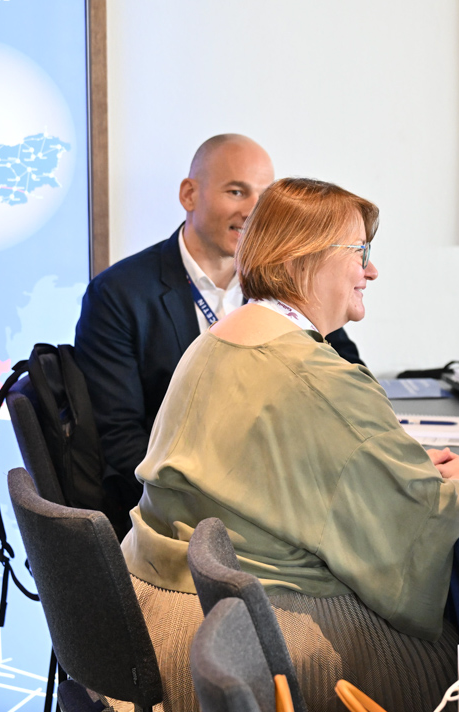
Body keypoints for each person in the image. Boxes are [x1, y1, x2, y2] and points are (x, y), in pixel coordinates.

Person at [116, 178, 459, 712]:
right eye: (359, 252)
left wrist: (387, 468)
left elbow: (276, 464)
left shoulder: (218, 340)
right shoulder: (316, 375)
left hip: (169, 615)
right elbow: (419, 520)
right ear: (301, 260)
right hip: (255, 640)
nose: (371, 270)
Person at [74, 135, 365, 535]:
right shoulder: (119, 294)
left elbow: (346, 377)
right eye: (236, 192)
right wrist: (228, 507)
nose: (253, 211)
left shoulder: (289, 280)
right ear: (189, 194)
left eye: (264, 197)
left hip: (285, 496)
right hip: (182, 519)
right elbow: (121, 443)